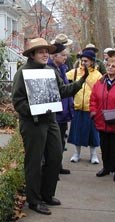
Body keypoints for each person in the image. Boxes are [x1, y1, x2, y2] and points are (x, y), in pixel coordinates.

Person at [12, 38, 89, 215]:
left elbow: (62, 91)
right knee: (35, 162)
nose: (46, 54)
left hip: (50, 120)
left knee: (55, 157)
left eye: (47, 51)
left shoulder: (51, 71)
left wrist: (81, 81)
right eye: (41, 51)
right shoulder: (22, 73)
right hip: (32, 123)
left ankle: (47, 194)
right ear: (32, 54)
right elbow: (17, 102)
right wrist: (34, 110)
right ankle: (34, 200)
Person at [66, 50, 102, 164]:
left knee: (93, 134)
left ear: (92, 61)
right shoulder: (75, 72)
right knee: (77, 132)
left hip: (91, 109)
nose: (83, 63)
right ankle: (76, 153)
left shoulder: (97, 75)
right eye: (82, 60)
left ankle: (93, 155)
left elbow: (100, 91)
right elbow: (63, 78)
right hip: (77, 107)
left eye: (86, 61)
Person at [48, 42, 73, 175]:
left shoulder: (62, 68)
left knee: (61, 141)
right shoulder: (49, 70)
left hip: (64, 112)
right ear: (54, 56)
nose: (65, 58)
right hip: (56, 113)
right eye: (63, 55)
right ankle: (52, 170)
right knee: (54, 144)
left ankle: (58, 165)